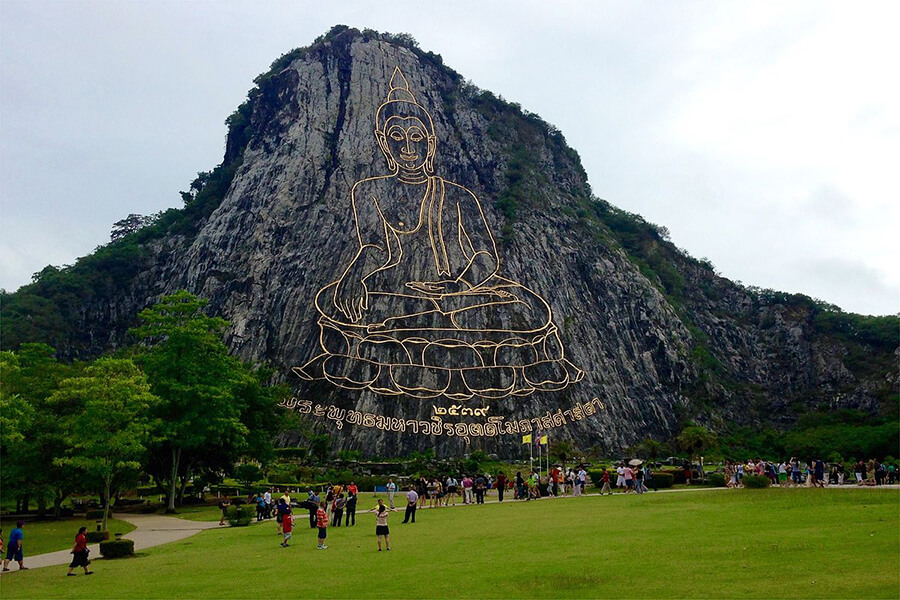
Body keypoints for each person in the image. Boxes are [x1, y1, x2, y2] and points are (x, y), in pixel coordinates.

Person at [294, 67, 584, 399]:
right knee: (340, 303)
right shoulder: (368, 190)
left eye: (416, 137)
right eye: (397, 137)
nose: (407, 147)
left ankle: (408, 342)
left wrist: (460, 285)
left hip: (460, 294)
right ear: (382, 141)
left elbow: (486, 256)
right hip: (397, 292)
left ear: (430, 143)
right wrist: (354, 275)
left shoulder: (459, 195)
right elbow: (375, 246)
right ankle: (437, 346)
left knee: (527, 308)